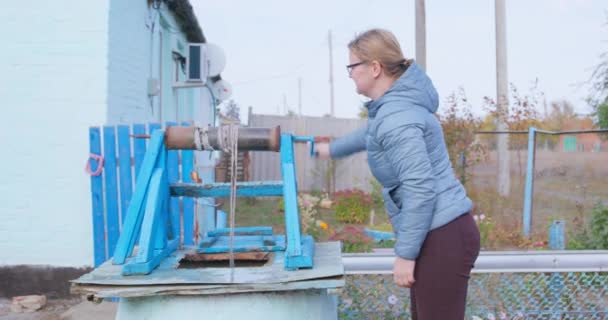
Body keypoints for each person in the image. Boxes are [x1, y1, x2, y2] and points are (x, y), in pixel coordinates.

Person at [314, 29, 480, 319]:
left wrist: (405, 255)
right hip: (440, 231)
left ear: (375, 68)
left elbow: (419, 188)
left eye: (352, 67)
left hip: (440, 234)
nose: (350, 74)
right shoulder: (393, 109)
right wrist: (330, 150)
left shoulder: (396, 117)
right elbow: (370, 133)